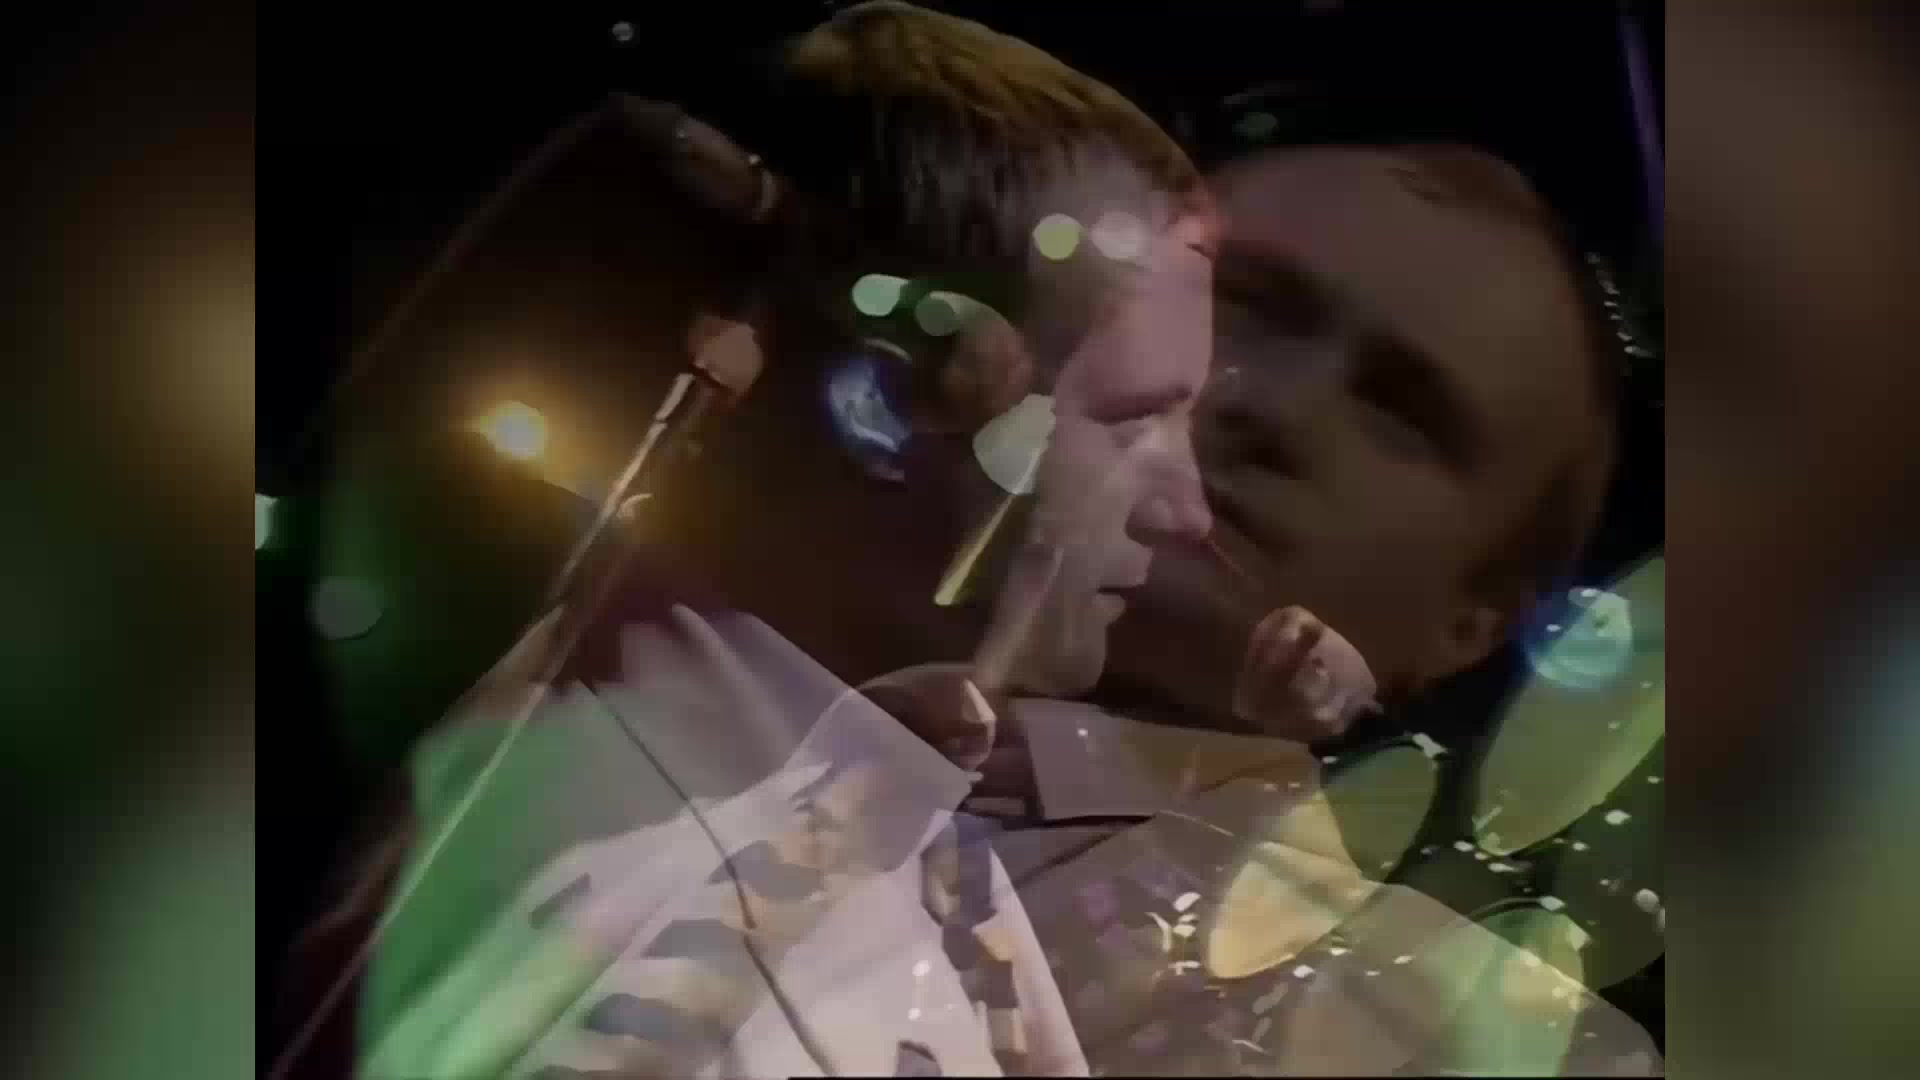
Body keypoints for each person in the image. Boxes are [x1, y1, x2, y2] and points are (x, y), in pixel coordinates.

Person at [274, 4, 1216, 1078]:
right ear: (897, 397)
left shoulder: (850, 801)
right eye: (1133, 421)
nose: (1186, 510)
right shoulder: (648, 948)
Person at [964, 144, 1664, 1075]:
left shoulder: (1467, 1047)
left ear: (1476, 618)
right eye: (1243, 302)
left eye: (1403, 412)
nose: (1277, 408)